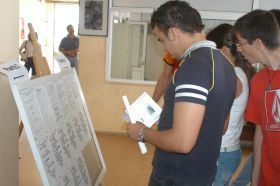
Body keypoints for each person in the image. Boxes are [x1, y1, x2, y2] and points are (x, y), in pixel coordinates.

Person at [127, 1, 237, 185]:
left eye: (161, 40)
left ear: (173, 33)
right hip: (203, 173)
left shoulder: (193, 66)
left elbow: (182, 142)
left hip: (176, 176)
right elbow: (222, 126)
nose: (164, 48)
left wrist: (142, 132)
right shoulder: (226, 66)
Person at [233, 9, 280, 186]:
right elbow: (260, 132)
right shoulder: (258, 81)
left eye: (241, 43)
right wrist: (255, 176)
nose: (238, 49)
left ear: (258, 43)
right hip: (266, 177)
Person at [206, 23, 256, 186]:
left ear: (224, 51)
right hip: (227, 150)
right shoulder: (239, 73)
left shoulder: (231, 77)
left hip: (222, 152)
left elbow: (219, 124)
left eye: (212, 53)